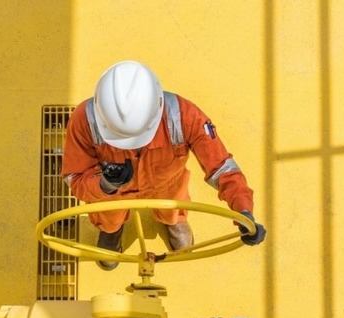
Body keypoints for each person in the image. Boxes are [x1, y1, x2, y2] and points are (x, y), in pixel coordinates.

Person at [61, 60, 266, 270]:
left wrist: (243, 210)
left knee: (173, 207)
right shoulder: (83, 121)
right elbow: (75, 177)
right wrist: (105, 185)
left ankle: (172, 220)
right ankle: (111, 229)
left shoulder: (185, 117)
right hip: (112, 195)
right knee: (108, 217)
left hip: (167, 186)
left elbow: (221, 167)